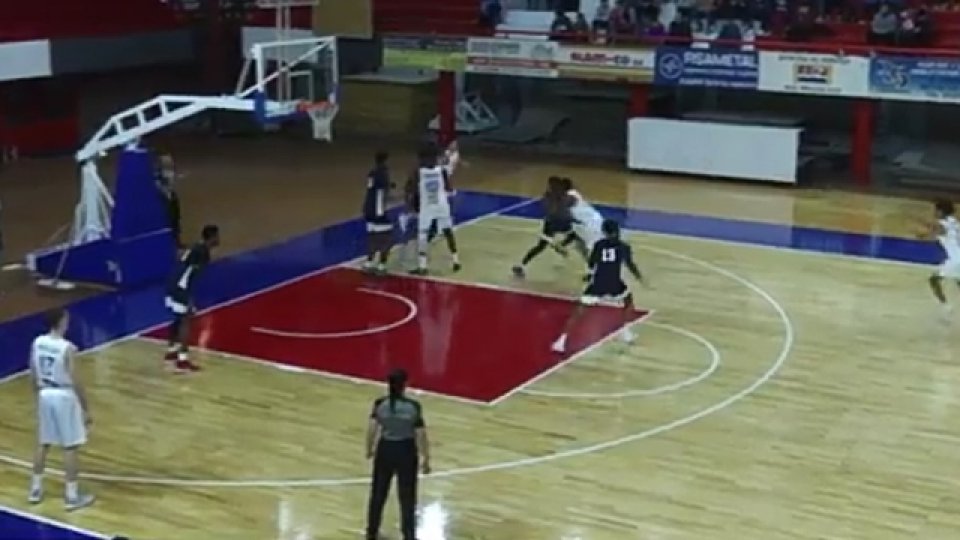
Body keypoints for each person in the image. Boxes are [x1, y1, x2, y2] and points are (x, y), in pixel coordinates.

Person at [28, 308, 96, 511]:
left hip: (45, 393)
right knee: (70, 446)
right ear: (60, 322)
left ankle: (35, 490)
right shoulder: (66, 348)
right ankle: (71, 496)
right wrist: (85, 407)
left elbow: (33, 372)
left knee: (43, 443)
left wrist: (36, 397)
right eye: (66, 319)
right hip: (63, 395)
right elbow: (76, 380)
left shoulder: (38, 342)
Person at [552, 219, 647, 353]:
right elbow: (630, 265)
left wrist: (590, 272)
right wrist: (640, 278)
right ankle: (625, 332)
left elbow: (592, 263)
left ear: (604, 232)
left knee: (579, 311)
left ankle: (561, 340)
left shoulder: (599, 245)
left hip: (598, 283)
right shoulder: (624, 247)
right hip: (614, 283)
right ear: (618, 231)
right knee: (628, 302)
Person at [365, 368, 431, 540]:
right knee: (407, 496)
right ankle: (408, 535)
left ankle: (372, 531)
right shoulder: (412, 407)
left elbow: (372, 427)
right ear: (405, 385)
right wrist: (426, 458)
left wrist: (369, 448)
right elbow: (420, 434)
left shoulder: (380, 404)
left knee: (378, 493)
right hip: (406, 451)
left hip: (385, 449)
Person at [164, 224, 220, 372]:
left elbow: (182, 264)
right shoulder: (202, 252)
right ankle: (182, 359)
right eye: (217, 236)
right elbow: (189, 275)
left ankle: (171, 350)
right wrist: (189, 297)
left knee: (178, 318)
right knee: (185, 320)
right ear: (211, 237)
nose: (218, 239)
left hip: (173, 283)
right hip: (181, 287)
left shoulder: (196, 247)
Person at [512, 176, 581, 278]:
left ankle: (521, 265)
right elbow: (572, 205)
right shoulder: (567, 197)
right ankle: (561, 245)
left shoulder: (548, 196)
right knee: (575, 236)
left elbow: (547, 208)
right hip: (562, 222)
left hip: (550, 223)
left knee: (540, 246)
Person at [412, 142, 460, 275]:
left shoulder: (418, 172)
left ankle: (422, 266)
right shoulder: (441, 171)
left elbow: (413, 190)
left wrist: (413, 205)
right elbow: (449, 188)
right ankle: (456, 261)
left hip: (427, 207)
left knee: (422, 235)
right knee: (448, 232)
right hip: (441, 205)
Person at [923, 200, 960, 317]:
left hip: (956, 260)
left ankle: (946, 307)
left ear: (941, 211)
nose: (934, 212)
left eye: (936, 210)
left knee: (933, 280)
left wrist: (922, 233)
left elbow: (929, 235)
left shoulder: (941, 225)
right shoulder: (955, 222)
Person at [562, 177, 603, 266]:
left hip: (590, 223)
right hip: (588, 221)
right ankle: (592, 268)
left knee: (590, 248)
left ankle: (598, 267)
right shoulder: (571, 194)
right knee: (581, 246)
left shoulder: (570, 195)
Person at [363, 151, 393, 275]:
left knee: (372, 238)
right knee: (387, 239)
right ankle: (381, 265)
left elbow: (373, 188)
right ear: (385, 160)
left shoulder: (372, 173)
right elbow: (384, 192)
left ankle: (369, 263)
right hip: (378, 211)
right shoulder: (384, 173)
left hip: (368, 209)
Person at [156, 154, 183, 249]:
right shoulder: (157, 179)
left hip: (170, 197)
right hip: (164, 198)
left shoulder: (173, 195)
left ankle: (177, 242)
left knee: (175, 218)